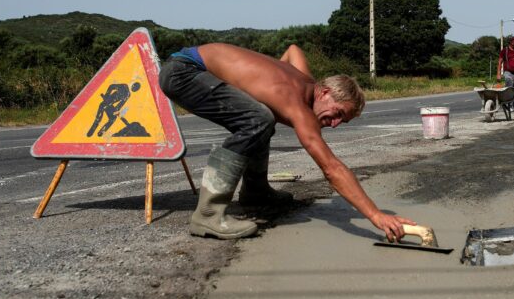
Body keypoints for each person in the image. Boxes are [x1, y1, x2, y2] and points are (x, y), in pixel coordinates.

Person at [158, 43, 416, 241]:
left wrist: (263, 83)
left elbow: (293, 50)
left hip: (189, 66)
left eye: (342, 121)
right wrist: (375, 214)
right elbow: (331, 167)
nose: (334, 123)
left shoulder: (306, 81)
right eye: (337, 113)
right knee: (258, 119)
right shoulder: (296, 103)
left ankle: (256, 193)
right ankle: (207, 215)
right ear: (325, 92)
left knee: (262, 116)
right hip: (183, 72)